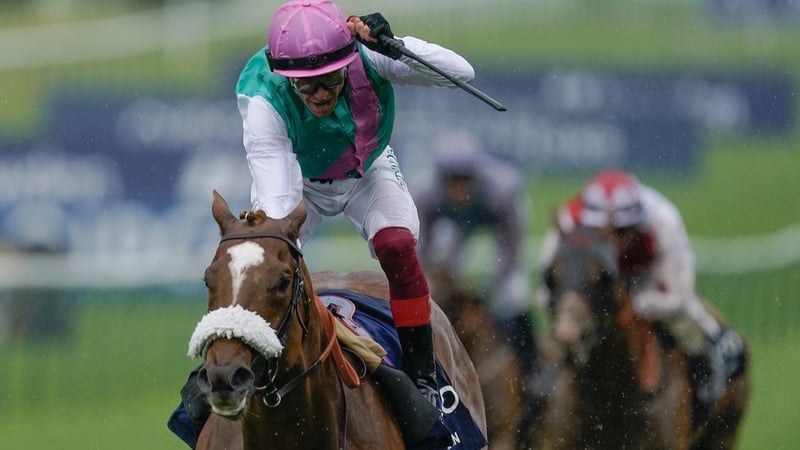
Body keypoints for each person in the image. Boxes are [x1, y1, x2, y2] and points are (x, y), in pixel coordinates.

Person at [171, 0, 475, 448]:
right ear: (284, 77)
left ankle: (423, 375)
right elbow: (278, 211)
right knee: (267, 256)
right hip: (301, 182)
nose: (319, 94)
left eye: (330, 79)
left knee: (396, 246)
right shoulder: (262, 100)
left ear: (348, 61)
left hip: (368, 171)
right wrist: (278, 243)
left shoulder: (368, 54)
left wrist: (396, 46)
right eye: (304, 85)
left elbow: (461, 72)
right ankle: (223, 363)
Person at [538, 169, 745, 409]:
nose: (612, 243)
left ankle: (703, 393)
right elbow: (546, 291)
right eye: (600, 234)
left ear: (637, 223)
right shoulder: (569, 218)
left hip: (648, 280)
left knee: (690, 334)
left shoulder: (663, 220)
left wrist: (633, 303)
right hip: (595, 293)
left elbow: (679, 296)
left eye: (622, 232)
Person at [415, 133, 541, 394]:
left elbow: (512, 253)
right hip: (455, 225)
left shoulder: (503, 191)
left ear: (477, 177)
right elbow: (422, 253)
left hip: (497, 220)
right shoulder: (427, 196)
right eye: (452, 181)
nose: (459, 189)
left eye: (465, 180)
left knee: (514, 296)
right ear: (441, 181)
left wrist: (486, 291)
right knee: (436, 287)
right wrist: (444, 280)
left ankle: (533, 372)